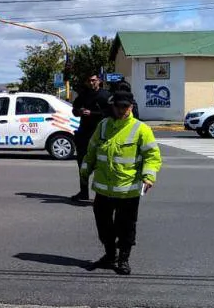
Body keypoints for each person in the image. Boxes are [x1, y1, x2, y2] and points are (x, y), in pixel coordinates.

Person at [79, 83, 161, 275]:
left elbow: (152, 156)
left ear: (131, 107)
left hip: (128, 190)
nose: (122, 110)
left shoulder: (141, 129)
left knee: (125, 227)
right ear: (113, 106)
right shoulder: (103, 126)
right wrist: (85, 170)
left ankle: (123, 259)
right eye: (119, 106)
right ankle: (109, 256)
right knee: (104, 226)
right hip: (103, 189)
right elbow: (91, 150)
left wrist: (149, 176)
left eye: (126, 106)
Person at [69, 73, 113, 204]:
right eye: (89, 80)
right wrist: (79, 111)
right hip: (84, 134)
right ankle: (83, 192)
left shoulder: (105, 95)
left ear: (99, 81)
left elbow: (110, 113)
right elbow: (74, 110)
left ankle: (102, 194)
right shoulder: (84, 94)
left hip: (100, 133)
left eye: (93, 80)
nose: (91, 82)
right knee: (82, 164)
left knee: (101, 165)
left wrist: (92, 113)